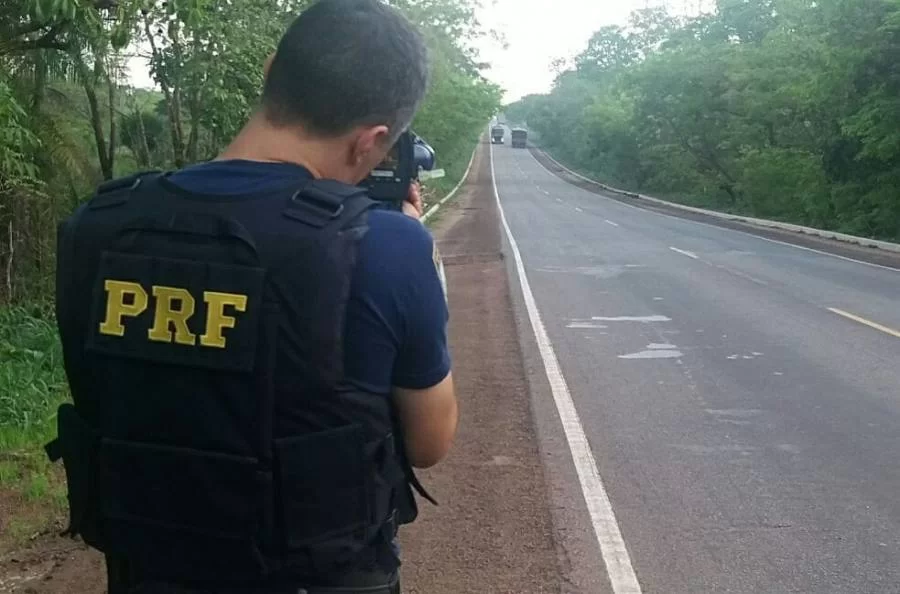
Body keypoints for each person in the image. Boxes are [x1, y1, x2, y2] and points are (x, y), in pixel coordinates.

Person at [46, 0, 458, 592]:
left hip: (146, 573)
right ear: (374, 141)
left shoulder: (99, 223)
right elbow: (429, 442)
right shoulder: (385, 244)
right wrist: (420, 255)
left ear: (269, 71)